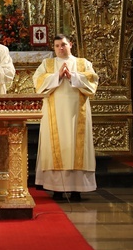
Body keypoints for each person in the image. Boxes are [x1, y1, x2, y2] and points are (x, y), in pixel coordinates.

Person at [34, 34, 99, 201]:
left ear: (70, 44)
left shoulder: (83, 63)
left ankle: (77, 189)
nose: (60, 48)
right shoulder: (47, 64)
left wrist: (73, 76)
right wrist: (57, 76)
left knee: (75, 146)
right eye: (56, 46)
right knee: (57, 146)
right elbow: (38, 83)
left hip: (77, 113)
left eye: (63, 44)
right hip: (53, 112)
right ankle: (56, 188)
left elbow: (92, 82)